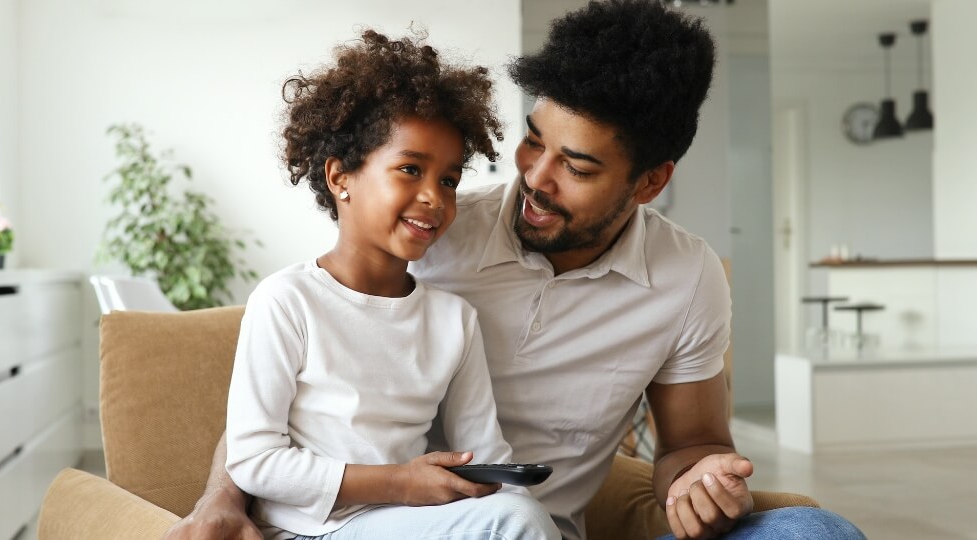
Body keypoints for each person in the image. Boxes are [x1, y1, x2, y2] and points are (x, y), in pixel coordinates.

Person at [166, 2, 866, 539]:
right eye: (533, 140)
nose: (536, 176)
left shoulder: (685, 278)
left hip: (524, 525)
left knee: (815, 531)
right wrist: (221, 499)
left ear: (650, 182)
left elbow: (694, 446)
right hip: (402, 521)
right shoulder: (429, 233)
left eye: (579, 166)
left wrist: (702, 484)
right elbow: (297, 378)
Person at [223, 29, 559, 540]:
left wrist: (507, 491)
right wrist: (399, 482)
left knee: (522, 516)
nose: (435, 197)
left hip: (407, 524)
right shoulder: (286, 301)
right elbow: (254, 460)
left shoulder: (452, 319)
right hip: (308, 530)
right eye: (409, 169)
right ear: (341, 178)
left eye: (448, 179)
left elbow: (485, 453)